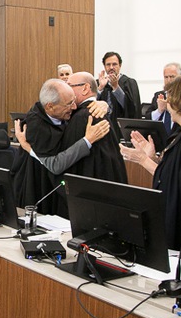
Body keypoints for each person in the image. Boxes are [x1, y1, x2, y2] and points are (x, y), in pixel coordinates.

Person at [120, 74, 181, 260]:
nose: (166, 105)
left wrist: (142, 159)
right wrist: (153, 158)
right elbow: (175, 170)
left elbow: (173, 181)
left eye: (170, 99)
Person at [12, 78, 110, 215]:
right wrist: (88, 140)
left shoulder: (61, 109)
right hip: (36, 182)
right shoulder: (36, 125)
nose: (74, 107)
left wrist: (103, 104)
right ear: (50, 106)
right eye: (69, 104)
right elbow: (54, 165)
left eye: (73, 101)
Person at [61, 72, 127, 183]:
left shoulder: (83, 116)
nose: (66, 91)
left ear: (85, 88)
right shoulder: (96, 112)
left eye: (69, 86)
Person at [97, 51, 142, 120]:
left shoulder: (129, 82)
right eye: (108, 64)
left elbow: (132, 108)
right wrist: (100, 88)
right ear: (104, 66)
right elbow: (90, 104)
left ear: (120, 65)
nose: (111, 67)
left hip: (120, 124)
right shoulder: (99, 83)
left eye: (114, 64)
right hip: (102, 124)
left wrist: (116, 87)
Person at [147, 62, 181, 135]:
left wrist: (171, 108)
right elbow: (148, 118)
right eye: (166, 77)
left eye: (172, 77)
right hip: (159, 137)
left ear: (180, 77)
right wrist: (159, 111)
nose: (169, 80)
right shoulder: (158, 95)